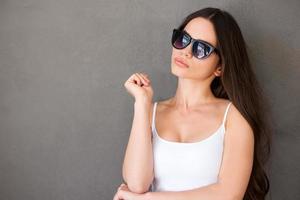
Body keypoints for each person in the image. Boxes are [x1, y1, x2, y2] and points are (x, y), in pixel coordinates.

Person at [114, 7, 272, 200]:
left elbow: (229, 194)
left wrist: (146, 199)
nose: (186, 52)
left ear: (220, 67)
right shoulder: (150, 111)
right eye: (183, 39)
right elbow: (137, 184)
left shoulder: (233, 117)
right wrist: (141, 103)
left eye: (201, 49)